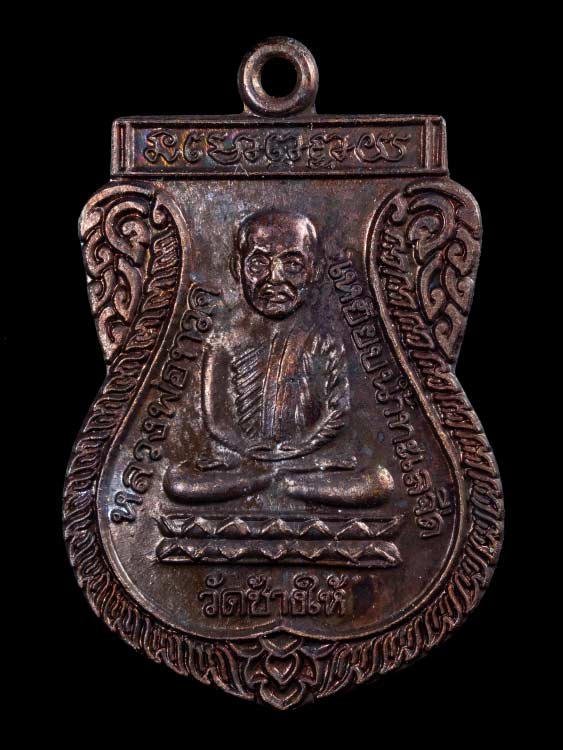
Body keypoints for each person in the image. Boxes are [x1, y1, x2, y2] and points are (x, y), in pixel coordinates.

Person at [164, 209, 393, 506]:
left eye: (293, 264)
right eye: (258, 263)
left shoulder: (324, 340)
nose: (274, 278)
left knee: (377, 482)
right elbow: (216, 420)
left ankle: (281, 483)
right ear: (237, 267)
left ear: (315, 270)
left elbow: (337, 411)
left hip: (306, 461)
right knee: (179, 482)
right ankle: (274, 482)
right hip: (243, 462)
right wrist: (247, 449)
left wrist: (299, 449)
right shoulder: (223, 343)